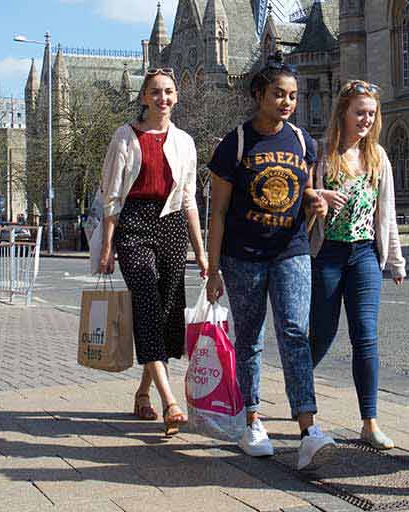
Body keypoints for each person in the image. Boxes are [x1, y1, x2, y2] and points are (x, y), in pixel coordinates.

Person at [205, 52, 336, 471]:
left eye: (293, 96)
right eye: (279, 94)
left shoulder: (303, 142)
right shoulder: (235, 144)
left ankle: (308, 429)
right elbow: (219, 212)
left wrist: (318, 201)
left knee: (296, 332)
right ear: (258, 93)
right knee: (251, 337)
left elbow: (309, 196)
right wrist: (212, 270)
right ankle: (253, 421)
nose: (287, 102)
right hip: (242, 256)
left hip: (291, 250)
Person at [98, 67, 208, 436]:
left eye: (169, 92)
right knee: (146, 304)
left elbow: (190, 199)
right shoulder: (125, 137)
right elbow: (112, 197)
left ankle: (143, 392)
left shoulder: (185, 142)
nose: (163, 98)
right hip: (134, 225)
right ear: (144, 97)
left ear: (176, 97)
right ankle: (169, 402)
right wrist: (107, 247)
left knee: (165, 313)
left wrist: (202, 252)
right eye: (156, 92)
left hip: (172, 223)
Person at [309, 80, 406, 451]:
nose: (366, 119)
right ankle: (302, 401)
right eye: (359, 112)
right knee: (321, 335)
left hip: (364, 254)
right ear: (343, 113)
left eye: (371, 113)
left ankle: (370, 421)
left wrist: (395, 261)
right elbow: (301, 198)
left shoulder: (378, 157)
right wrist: (317, 194)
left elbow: (388, 213)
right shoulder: (322, 153)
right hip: (328, 254)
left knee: (365, 336)